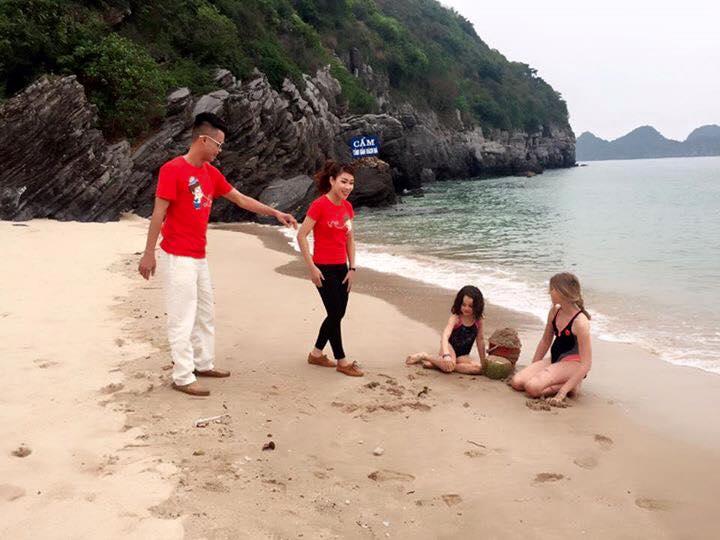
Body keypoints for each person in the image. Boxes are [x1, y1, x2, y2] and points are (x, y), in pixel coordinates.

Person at [138, 112, 297, 396]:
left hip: (199, 256)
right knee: (182, 317)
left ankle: (203, 363)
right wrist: (148, 253)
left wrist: (274, 213)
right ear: (203, 139)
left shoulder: (210, 173)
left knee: (205, 313)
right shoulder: (173, 169)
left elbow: (240, 199)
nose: (219, 150)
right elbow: (158, 213)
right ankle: (182, 376)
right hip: (177, 256)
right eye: (218, 144)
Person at [296, 160, 363, 377]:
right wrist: (311, 267)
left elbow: (349, 239)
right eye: (344, 181)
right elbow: (301, 235)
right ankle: (342, 361)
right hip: (323, 268)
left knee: (337, 314)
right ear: (332, 181)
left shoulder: (347, 207)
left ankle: (316, 354)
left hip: (342, 268)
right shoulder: (319, 205)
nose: (348, 187)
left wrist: (352, 268)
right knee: (335, 313)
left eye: (351, 183)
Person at [510, 272, 592, 405]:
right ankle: (565, 381)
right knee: (517, 382)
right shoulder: (554, 311)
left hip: (574, 364)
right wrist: (533, 366)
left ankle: (571, 385)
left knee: (532, 387)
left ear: (562, 292)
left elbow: (586, 364)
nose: (549, 292)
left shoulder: (580, 322)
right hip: (555, 358)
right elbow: (545, 341)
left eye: (552, 289)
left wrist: (562, 393)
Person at [405, 285, 486, 375]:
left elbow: (480, 340)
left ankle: (438, 365)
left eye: (470, 306)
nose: (466, 308)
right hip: (448, 347)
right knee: (449, 365)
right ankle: (425, 356)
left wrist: (484, 362)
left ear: (477, 306)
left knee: (478, 369)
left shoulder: (478, 320)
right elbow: (445, 336)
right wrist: (446, 354)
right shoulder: (456, 318)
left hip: (463, 354)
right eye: (463, 305)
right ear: (459, 303)